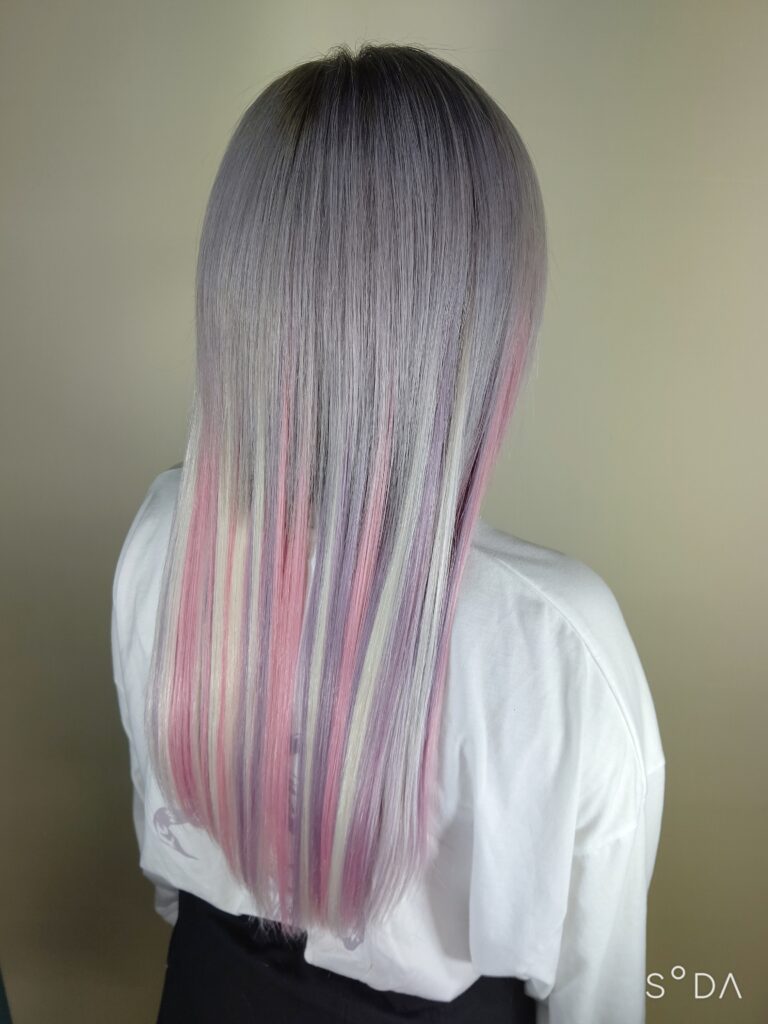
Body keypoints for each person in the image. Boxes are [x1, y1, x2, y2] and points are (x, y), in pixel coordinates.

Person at [111, 42, 665, 1024]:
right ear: (484, 317)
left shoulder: (165, 538)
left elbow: (168, 859)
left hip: (208, 983)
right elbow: (600, 996)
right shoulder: (563, 650)